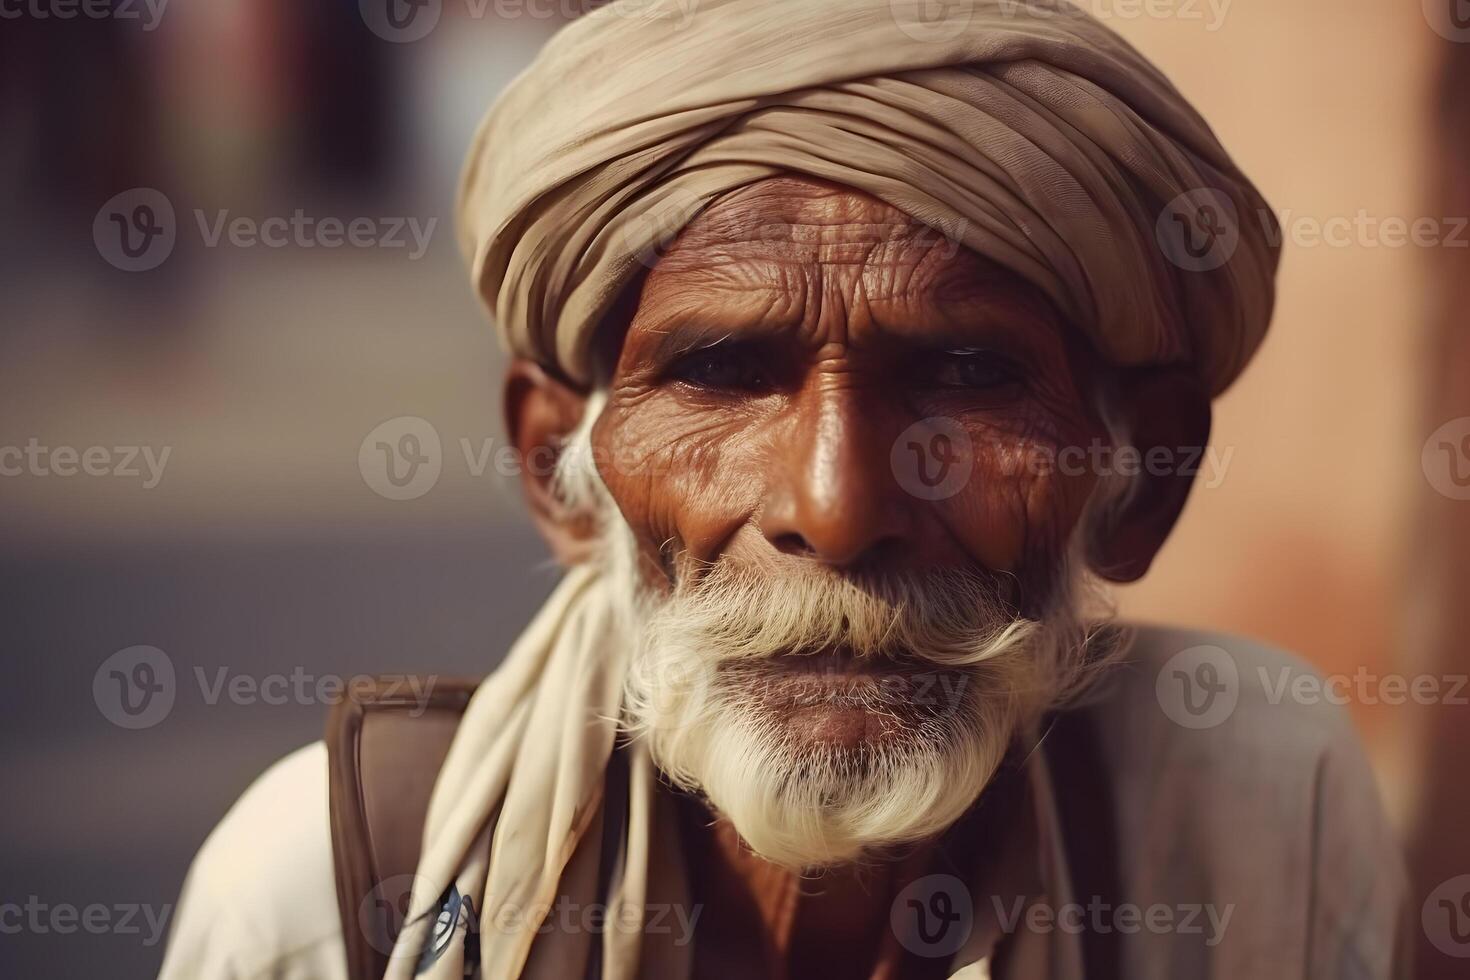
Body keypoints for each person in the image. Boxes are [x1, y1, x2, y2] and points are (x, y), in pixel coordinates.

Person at [158, 1, 1407, 977]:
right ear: (559, 467)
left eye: (967, 374)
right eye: (722, 371)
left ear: (1146, 481)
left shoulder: (1253, 811)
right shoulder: (328, 897)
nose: (839, 502)